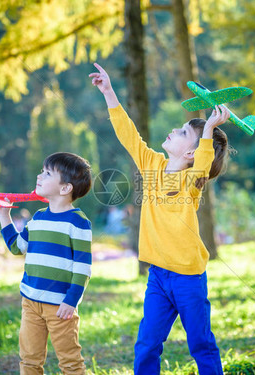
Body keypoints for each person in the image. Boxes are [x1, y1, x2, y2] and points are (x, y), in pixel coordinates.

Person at [90, 63, 231, 374]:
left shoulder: (192, 182)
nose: (173, 130)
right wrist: (109, 92)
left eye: (182, 133)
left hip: (188, 279)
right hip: (157, 277)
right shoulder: (152, 164)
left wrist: (207, 130)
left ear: (192, 153)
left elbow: (204, 164)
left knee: (201, 344)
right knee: (147, 344)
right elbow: (129, 135)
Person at [0, 152, 93, 375]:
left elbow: (83, 268)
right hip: (30, 302)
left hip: (61, 307)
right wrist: (4, 215)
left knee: (70, 362)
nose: (40, 176)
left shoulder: (78, 222)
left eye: (47, 173)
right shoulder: (38, 217)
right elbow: (16, 247)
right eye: (42, 171)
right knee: (29, 360)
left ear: (65, 188)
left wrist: (71, 301)